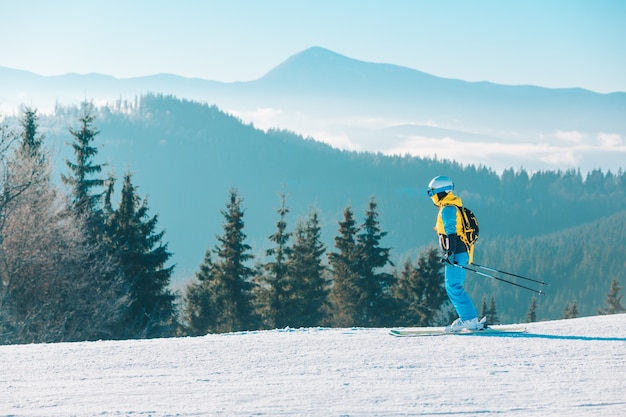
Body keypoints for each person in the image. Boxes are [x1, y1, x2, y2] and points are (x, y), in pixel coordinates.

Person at [427, 175, 483, 332]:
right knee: (453, 285)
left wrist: (449, 253)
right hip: (460, 252)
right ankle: (468, 318)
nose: (431, 197)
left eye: (432, 193)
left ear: (440, 192)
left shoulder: (448, 209)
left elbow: (451, 232)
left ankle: (469, 320)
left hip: (456, 253)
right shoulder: (453, 206)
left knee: (453, 285)